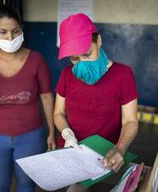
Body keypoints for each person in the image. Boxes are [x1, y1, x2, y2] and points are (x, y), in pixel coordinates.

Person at [0, 4, 56, 192]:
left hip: (32, 136)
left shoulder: (36, 60)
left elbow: (47, 96)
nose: (10, 38)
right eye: (3, 32)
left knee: (26, 184)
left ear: (21, 30)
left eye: (15, 31)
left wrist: (51, 130)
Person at [53, 13, 139, 191]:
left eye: (86, 54)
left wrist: (120, 149)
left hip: (106, 154)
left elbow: (130, 121)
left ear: (98, 40)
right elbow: (59, 113)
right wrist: (67, 133)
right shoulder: (67, 75)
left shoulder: (123, 75)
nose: (81, 63)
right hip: (73, 151)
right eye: (74, 59)